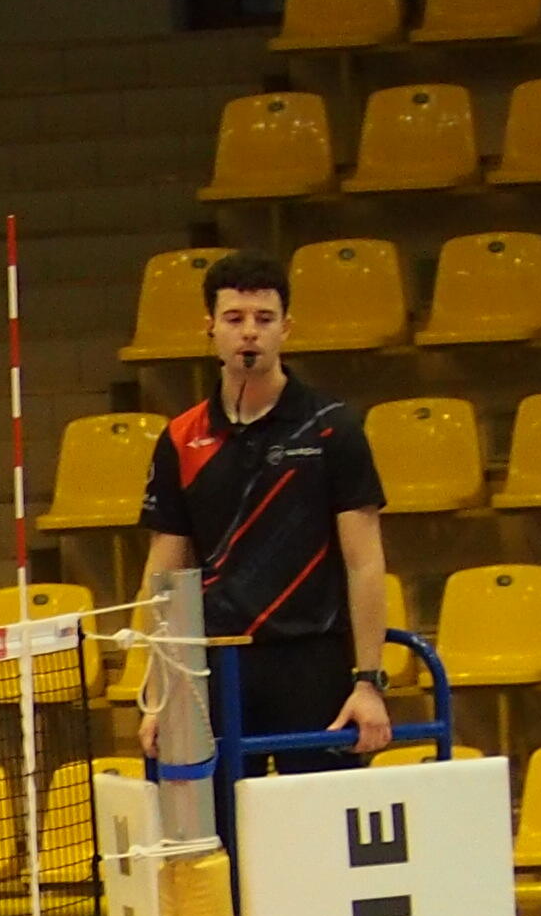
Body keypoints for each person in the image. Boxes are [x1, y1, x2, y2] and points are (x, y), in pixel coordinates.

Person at [133, 251, 392, 803]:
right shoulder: (180, 438)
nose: (249, 332)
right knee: (216, 834)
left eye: (263, 318)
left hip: (311, 663)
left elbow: (365, 562)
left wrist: (369, 682)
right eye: (234, 318)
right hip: (216, 666)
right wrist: (158, 693)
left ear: (285, 328)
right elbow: (163, 574)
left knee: (319, 830)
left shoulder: (332, 428)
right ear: (210, 328)